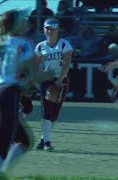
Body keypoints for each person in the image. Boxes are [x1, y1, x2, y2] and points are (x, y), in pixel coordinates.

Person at [0, 9, 54, 180]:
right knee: (0, 150)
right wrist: (52, 75)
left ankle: (0, 175)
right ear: (16, 24)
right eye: (22, 19)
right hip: (7, 95)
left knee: (24, 141)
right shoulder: (24, 43)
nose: (25, 22)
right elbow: (36, 75)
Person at [34, 18, 73, 151]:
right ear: (44, 29)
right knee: (47, 111)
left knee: (55, 114)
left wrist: (59, 80)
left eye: (52, 28)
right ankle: (47, 143)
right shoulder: (40, 46)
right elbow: (36, 65)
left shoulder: (64, 44)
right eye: (47, 28)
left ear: (58, 30)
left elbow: (67, 64)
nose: (49, 31)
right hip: (47, 80)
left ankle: (43, 139)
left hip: (61, 80)